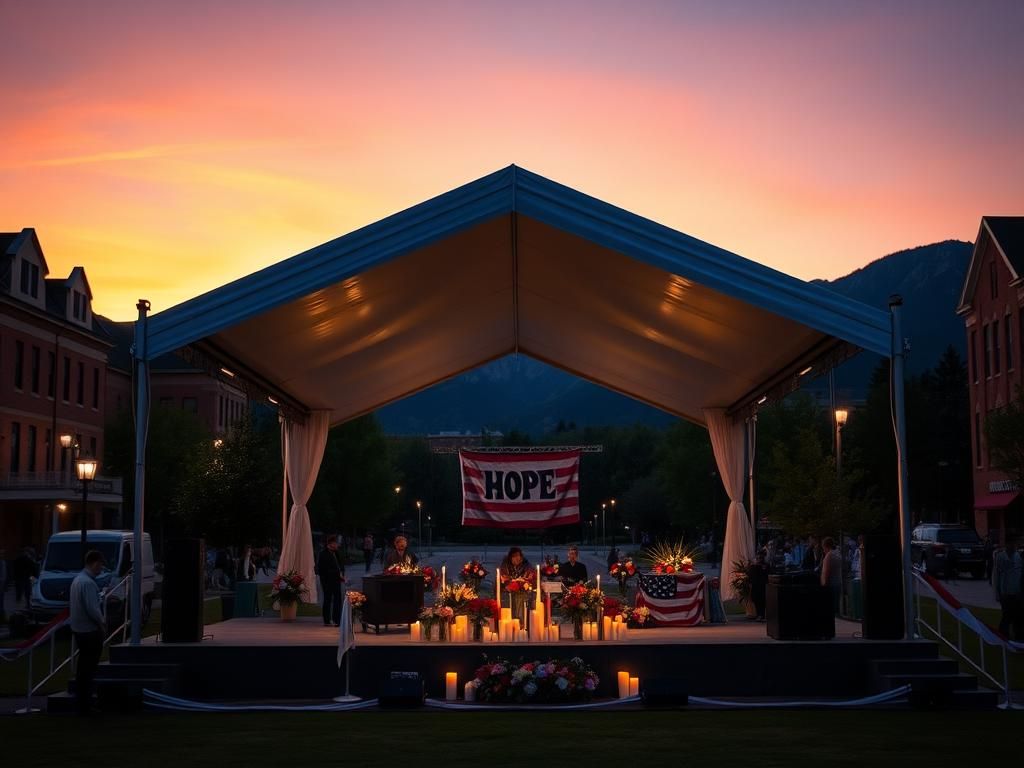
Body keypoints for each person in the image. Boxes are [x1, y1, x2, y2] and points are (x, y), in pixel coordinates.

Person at [70, 550, 107, 715]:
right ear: (95, 563)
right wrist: (102, 624)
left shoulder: (77, 581)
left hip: (79, 630)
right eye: (100, 564)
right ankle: (86, 703)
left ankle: (81, 702)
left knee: (82, 668)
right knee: (89, 668)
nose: (101, 568)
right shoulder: (88, 583)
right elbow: (93, 609)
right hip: (90, 631)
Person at [992, 540, 1023, 641]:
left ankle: (1018, 637)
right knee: (1006, 615)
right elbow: (996, 575)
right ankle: (1003, 636)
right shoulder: (1000, 557)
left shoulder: (1019, 557)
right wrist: (997, 592)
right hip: (1005, 592)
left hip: (1017, 592)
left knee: (1018, 616)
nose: (1013, 546)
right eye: (1011, 543)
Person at [317, 535, 345, 626]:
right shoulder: (323, 554)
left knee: (338, 599)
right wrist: (336, 572)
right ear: (330, 544)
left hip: (337, 580)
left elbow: (340, 564)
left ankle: (337, 619)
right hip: (327, 581)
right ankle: (327, 620)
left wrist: (341, 573)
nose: (337, 545)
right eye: (336, 543)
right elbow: (321, 569)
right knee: (328, 599)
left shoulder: (336, 552)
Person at [820, 537, 843, 616]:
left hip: (831, 584)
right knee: (836, 606)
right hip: (838, 582)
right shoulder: (837, 553)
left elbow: (826, 572)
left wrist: (824, 584)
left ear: (825, 546)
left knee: (831, 607)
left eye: (823, 547)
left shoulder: (829, 556)